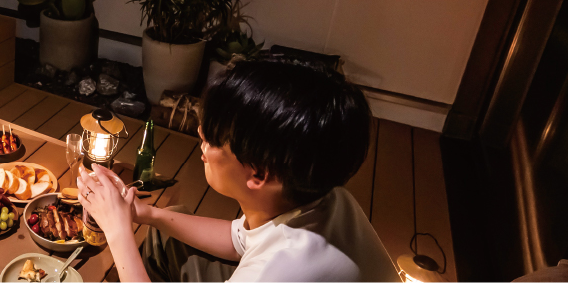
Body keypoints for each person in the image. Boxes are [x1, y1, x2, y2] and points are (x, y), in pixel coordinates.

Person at [78, 55, 397, 282]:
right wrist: (145, 214)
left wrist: (117, 230)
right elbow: (240, 240)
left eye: (214, 137)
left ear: (258, 174)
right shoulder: (322, 197)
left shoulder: (279, 271)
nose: (201, 135)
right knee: (167, 234)